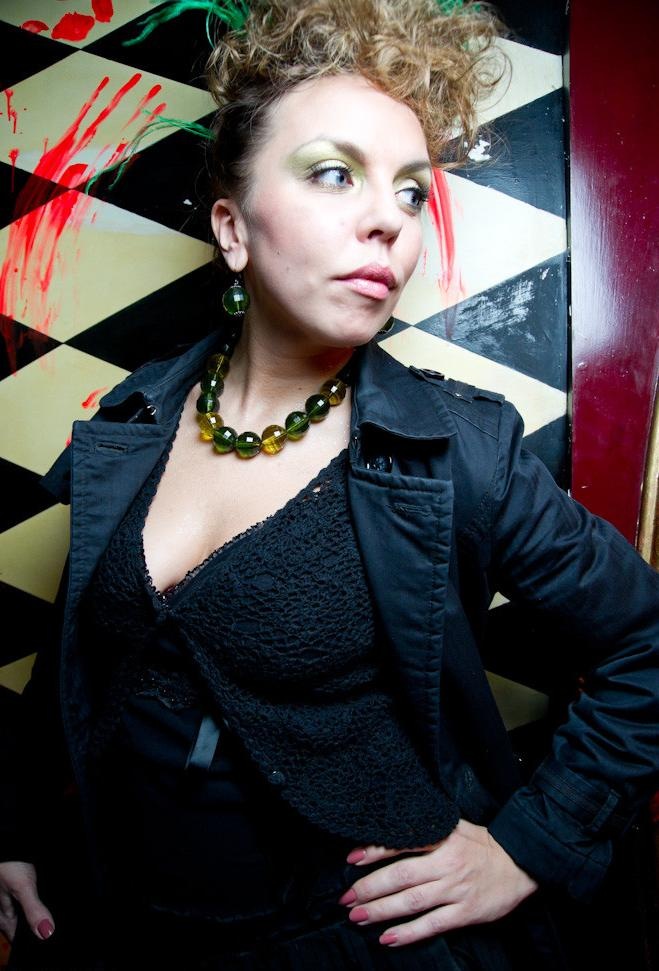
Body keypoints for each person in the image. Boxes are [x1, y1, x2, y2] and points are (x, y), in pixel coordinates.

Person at [1, 1, 658, 968]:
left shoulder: (457, 450)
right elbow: (79, 656)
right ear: (232, 228)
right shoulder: (133, 420)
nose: (388, 219)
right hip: (117, 928)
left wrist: (532, 842)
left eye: (409, 191)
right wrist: (16, 823)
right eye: (334, 173)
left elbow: (646, 642)